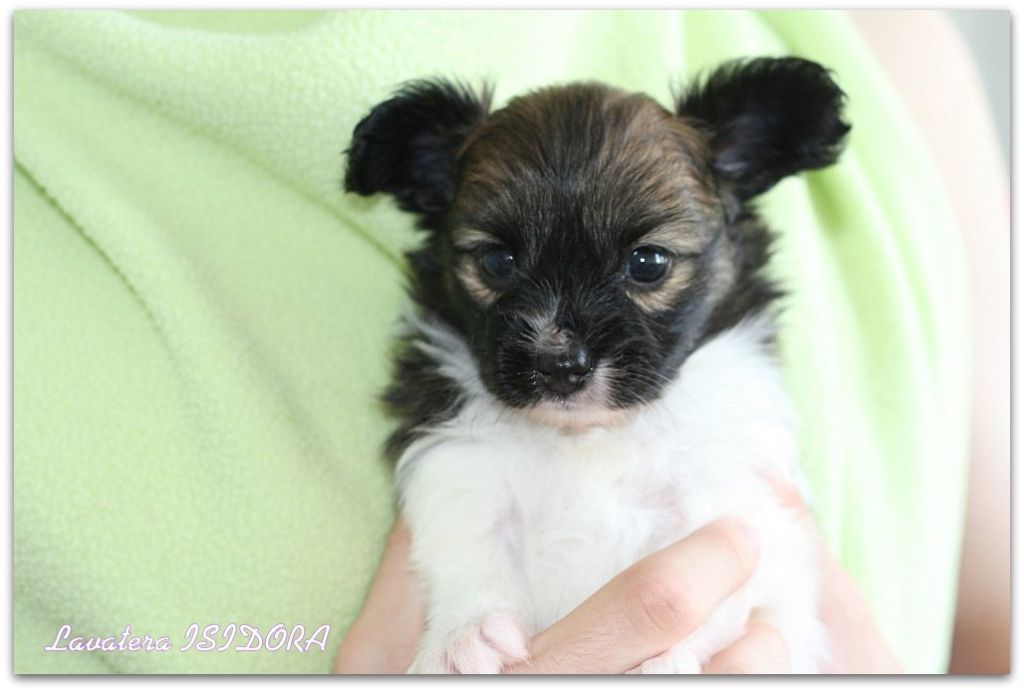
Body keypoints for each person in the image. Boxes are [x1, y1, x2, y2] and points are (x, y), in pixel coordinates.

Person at [334, 10, 1009, 674]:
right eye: (499, 265)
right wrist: (472, 608)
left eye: (648, 266)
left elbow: (769, 574)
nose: (559, 348)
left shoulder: (735, 418)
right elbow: (458, 528)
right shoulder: (461, 445)